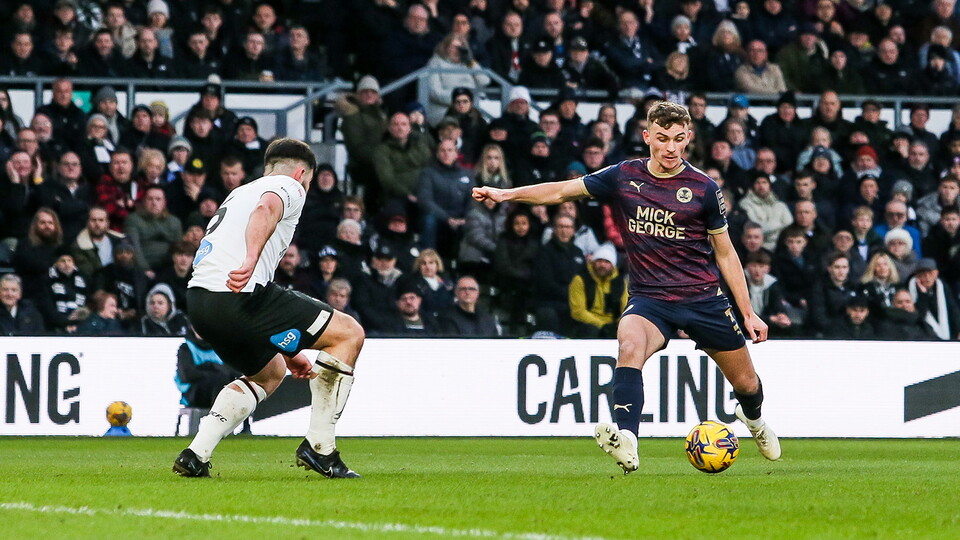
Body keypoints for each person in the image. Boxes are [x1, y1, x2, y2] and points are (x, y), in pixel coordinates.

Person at [472, 101, 780, 474]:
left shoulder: (704, 188)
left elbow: (726, 253)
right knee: (629, 346)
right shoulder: (623, 175)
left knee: (746, 383)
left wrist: (747, 312)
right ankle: (628, 441)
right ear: (647, 137)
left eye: (678, 139)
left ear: (688, 139)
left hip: (702, 299)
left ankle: (754, 421)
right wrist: (506, 194)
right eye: (662, 138)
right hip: (650, 299)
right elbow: (561, 191)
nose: (670, 147)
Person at [173, 138, 365, 480]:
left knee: (270, 373)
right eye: (308, 181)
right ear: (301, 173)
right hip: (240, 293)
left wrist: (290, 352)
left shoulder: (239, 193)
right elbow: (266, 210)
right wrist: (250, 259)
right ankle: (321, 447)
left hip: (201, 302)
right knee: (349, 334)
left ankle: (196, 453)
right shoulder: (289, 186)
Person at [568, 243, 627, 338]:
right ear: (593, 262)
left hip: (612, 325)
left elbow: (626, 309)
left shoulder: (620, 283)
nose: (602, 265)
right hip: (587, 324)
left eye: (607, 262)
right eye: (599, 261)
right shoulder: (580, 279)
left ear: (613, 265)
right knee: (590, 330)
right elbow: (578, 311)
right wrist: (602, 325)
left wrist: (619, 324)